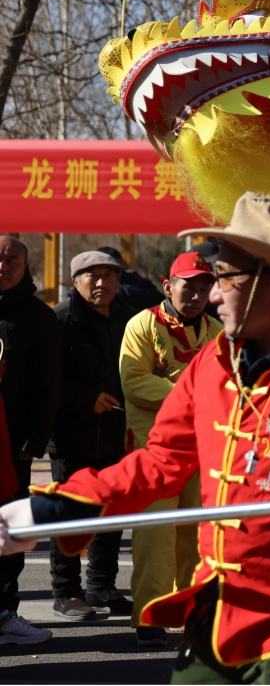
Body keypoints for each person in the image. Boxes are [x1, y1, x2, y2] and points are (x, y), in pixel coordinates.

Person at [0, 192, 270, 682]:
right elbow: (159, 462)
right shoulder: (213, 362)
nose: (212, 295)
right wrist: (54, 510)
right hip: (221, 605)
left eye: (226, 278)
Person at [118, 251, 222, 646]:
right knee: (155, 532)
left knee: (198, 532)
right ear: (168, 286)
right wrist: (191, 395)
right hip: (154, 449)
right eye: (187, 286)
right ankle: (150, 615)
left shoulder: (217, 331)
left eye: (203, 287)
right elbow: (133, 382)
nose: (195, 295)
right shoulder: (141, 325)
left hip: (202, 446)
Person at [49, 250, 136, 621]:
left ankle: (101, 585)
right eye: (91, 275)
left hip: (116, 433)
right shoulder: (58, 321)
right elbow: (46, 379)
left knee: (111, 515)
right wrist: (86, 399)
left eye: (108, 275)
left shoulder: (127, 321)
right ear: (75, 281)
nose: (101, 282)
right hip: (73, 435)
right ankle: (66, 592)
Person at [0, 236, 57, 645]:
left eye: (12, 260)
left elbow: (47, 385)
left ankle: (6, 613)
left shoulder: (38, 317)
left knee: (10, 532)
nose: (3, 266)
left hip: (13, 448)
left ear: (25, 266)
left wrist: (34, 440)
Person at [95, 246, 164, 312]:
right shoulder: (92, 283)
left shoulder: (134, 279)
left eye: (115, 268)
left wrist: (123, 290)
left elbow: (158, 301)